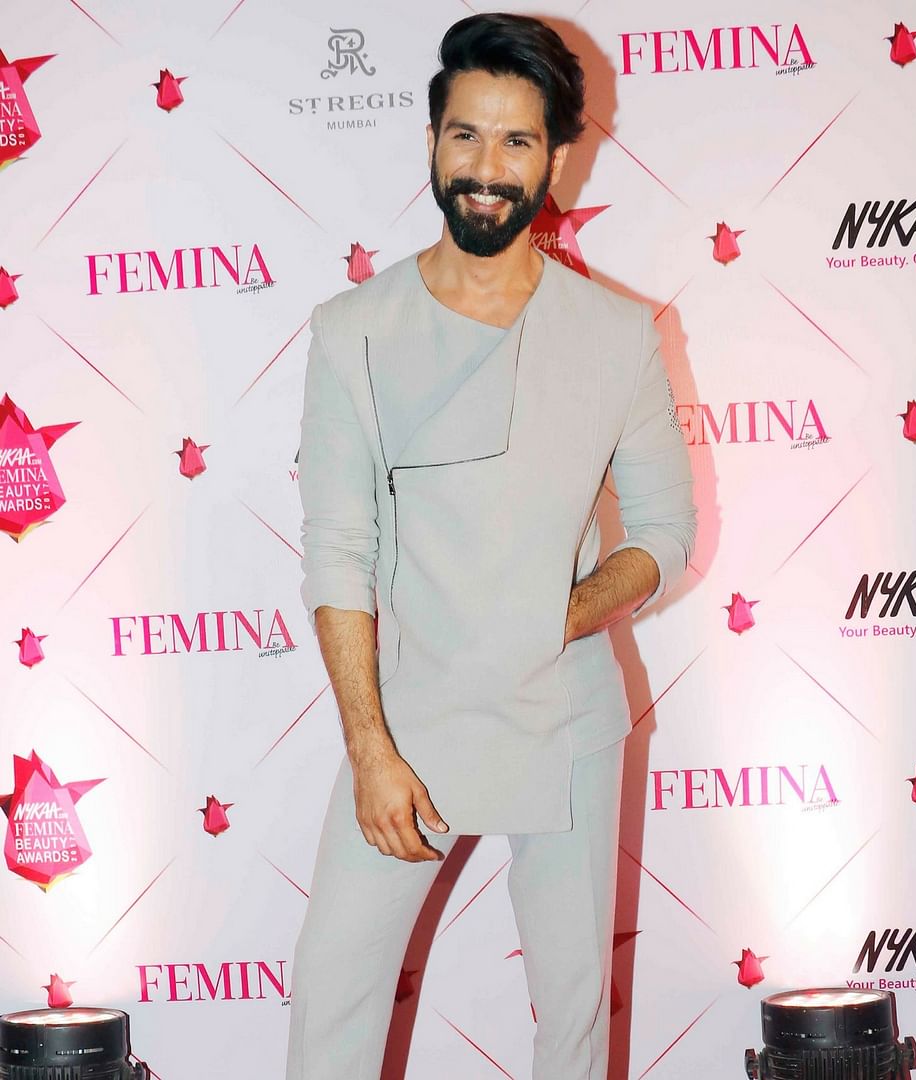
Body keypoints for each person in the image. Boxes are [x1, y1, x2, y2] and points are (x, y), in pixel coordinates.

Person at [285, 14, 695, 1077]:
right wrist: (373, 750)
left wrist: (553, 615)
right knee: (331, 1005)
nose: (486, 168)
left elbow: (662, 534)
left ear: (557, 157)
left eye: (516, 143)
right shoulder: (352, 329)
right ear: (431, 141)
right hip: (408, 723)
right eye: (466, 136)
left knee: (571, 1019)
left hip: (564, 719)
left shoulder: (615, 335)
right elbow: (337, 548)